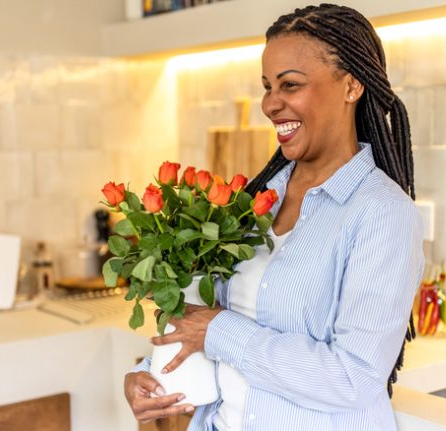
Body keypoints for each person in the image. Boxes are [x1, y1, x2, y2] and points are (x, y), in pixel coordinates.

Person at [124, 4, 425, 430]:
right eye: (267, 86)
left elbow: (353, 378)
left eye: (290, 85)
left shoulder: (382, 213)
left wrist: (219, 331)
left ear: (352, 85)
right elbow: (208, 319)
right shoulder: (254, 202)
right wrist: (149, 374)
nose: (271, 103)